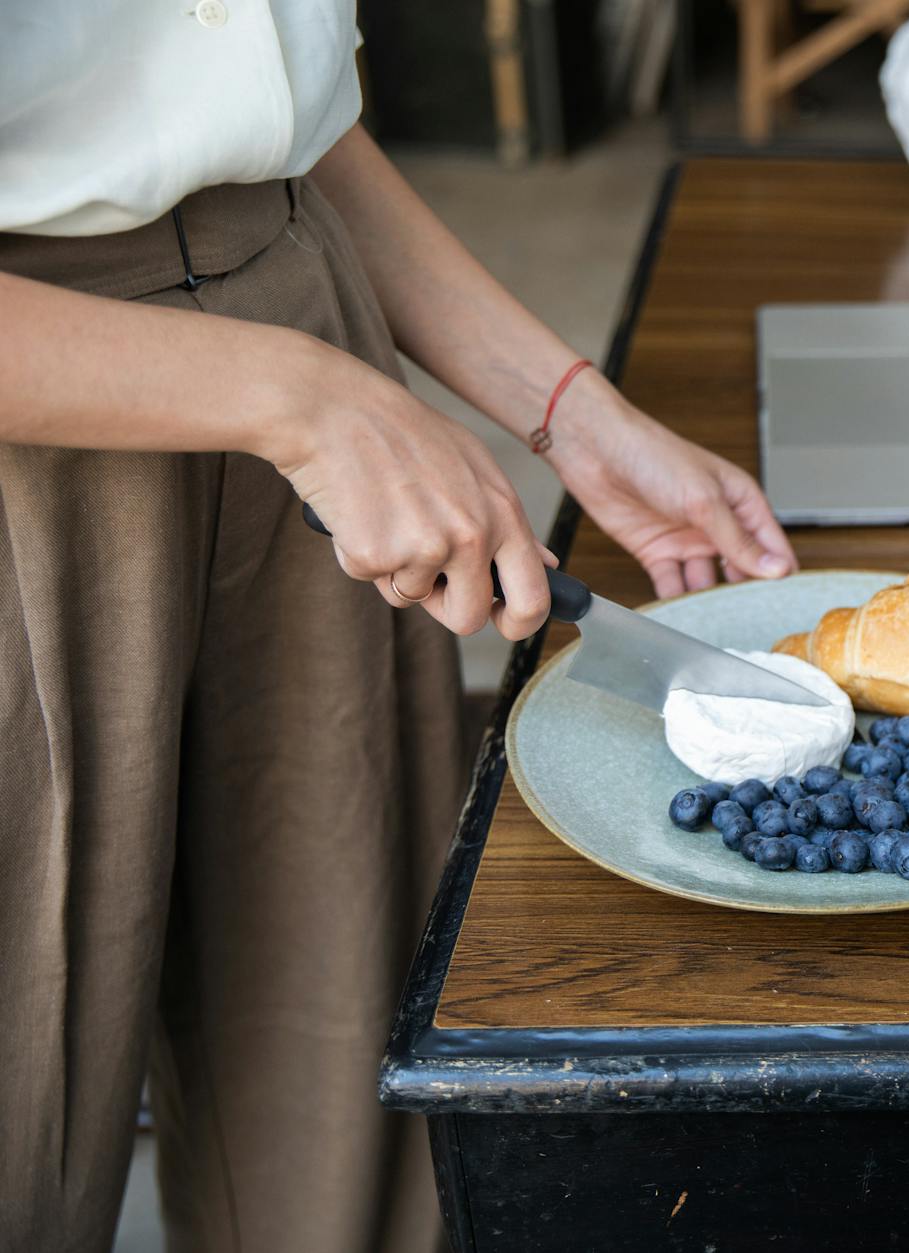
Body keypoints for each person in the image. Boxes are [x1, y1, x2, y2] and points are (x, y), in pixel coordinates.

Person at [0, 6, 797, 1251]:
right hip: (42, 434)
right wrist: (300, 398)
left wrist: (569, 414)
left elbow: (281, 128)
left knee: (333, 1107)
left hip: (302, 334)